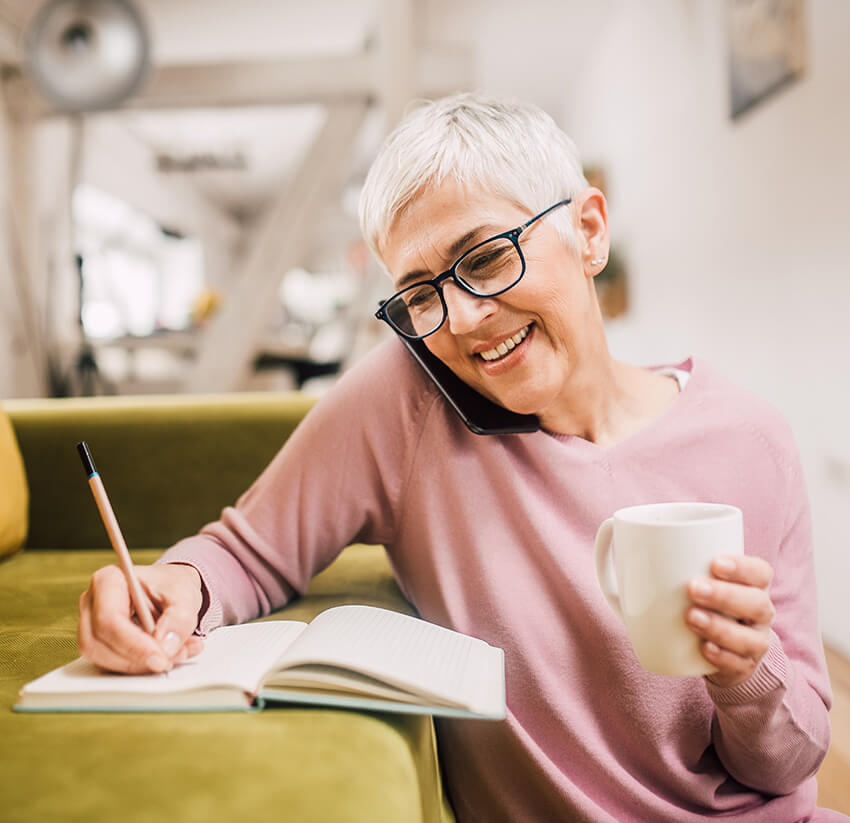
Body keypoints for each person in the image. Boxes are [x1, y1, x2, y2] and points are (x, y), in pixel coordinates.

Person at [77, 93, 845, 822]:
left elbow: (788, 765)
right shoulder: (409, 402)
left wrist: (744, 671)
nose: (465, 319)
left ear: (589, 231)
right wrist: (169, 585)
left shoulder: (751, 440)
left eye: (484, 258)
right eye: (419, 292)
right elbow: (248, 550)